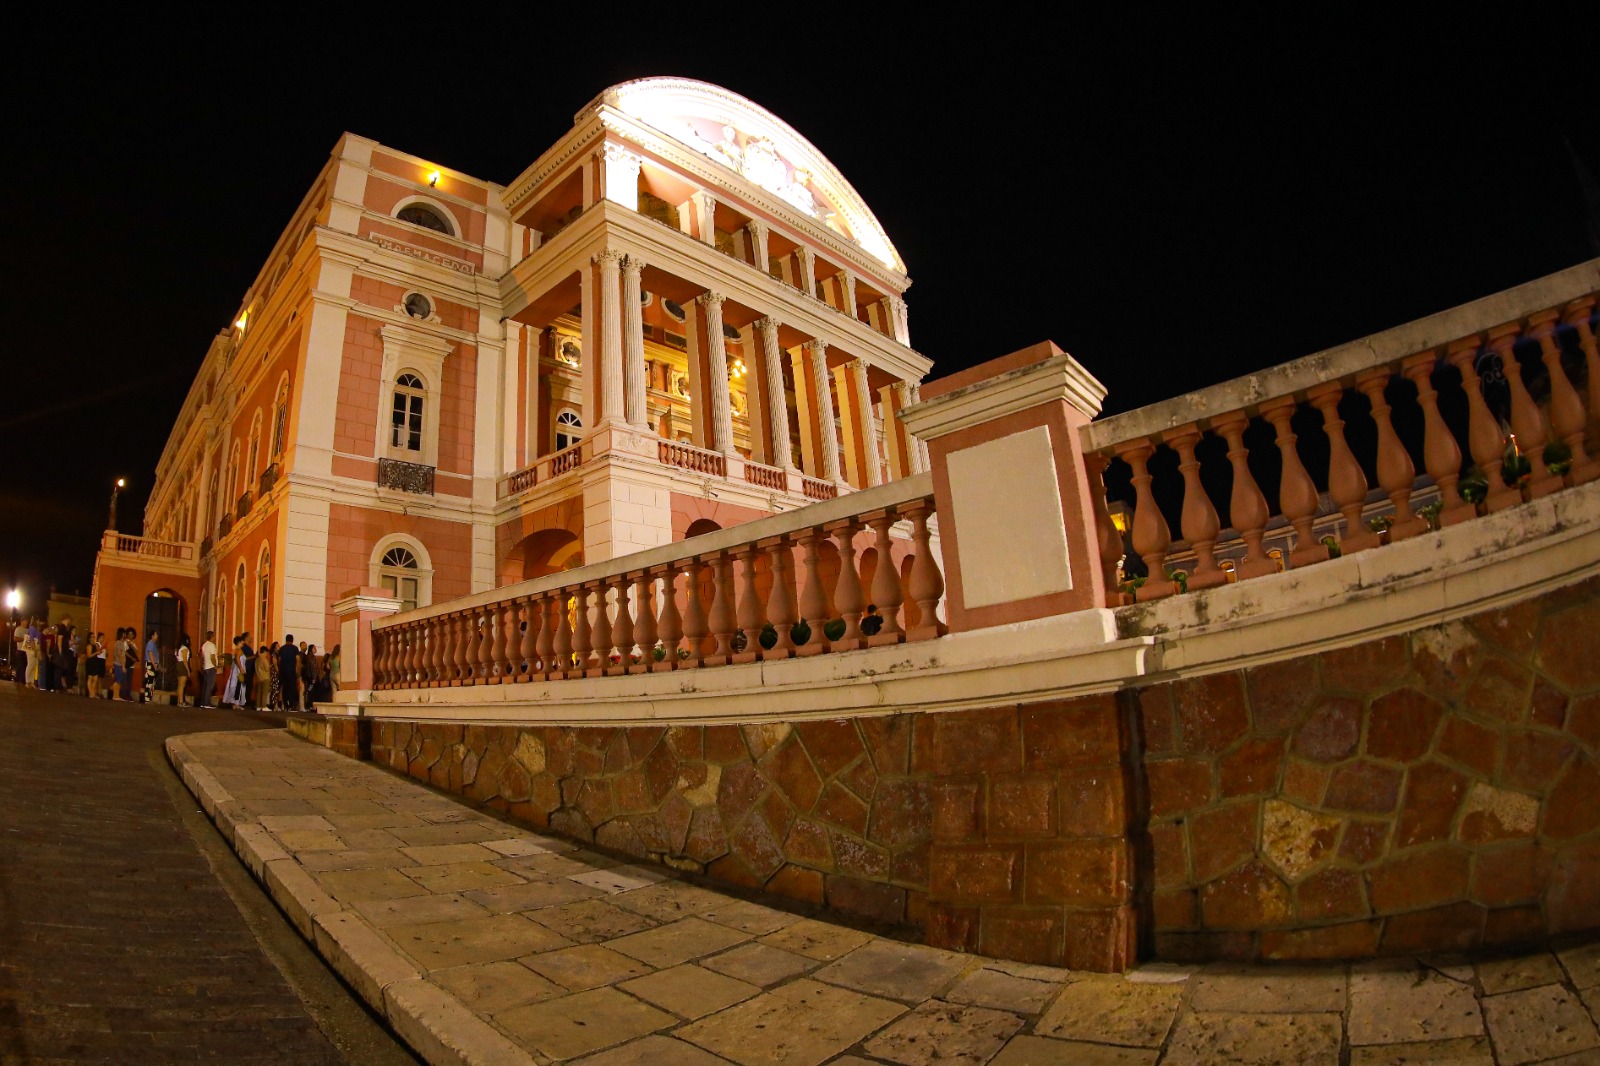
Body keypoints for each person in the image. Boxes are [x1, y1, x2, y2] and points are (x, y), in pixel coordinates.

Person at [278, 636, 301, 713]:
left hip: (283, 671)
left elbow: (279, 660)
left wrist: (280, 669)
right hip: (292, 671)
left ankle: (285, 705)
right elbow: (297, 660)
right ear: (292, 640)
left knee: (284, 688)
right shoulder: (295, 649)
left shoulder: (282, 649)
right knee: (291, 688)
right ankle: (291, 705)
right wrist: (298, 671)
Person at [198, 631, 218, 708]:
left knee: (205, 685)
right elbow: (212, 657)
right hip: (211, 667)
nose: (215, 638)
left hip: (205, 666)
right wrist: (215, 665)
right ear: (212, 637)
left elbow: (202, 656)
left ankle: (203, 702)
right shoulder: (212, 645)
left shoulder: (204, 645)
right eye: (214, 636)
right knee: (210, 686)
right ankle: (206, 703)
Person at [84, 633, 106, 699]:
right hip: (91, 662)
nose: (93, 638)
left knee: (95, 678)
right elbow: (89, 655)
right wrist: (96, 653)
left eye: (94, 637)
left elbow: (98, 650)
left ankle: (93, 692)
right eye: (92, 637)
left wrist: (99, 650)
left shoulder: (95, 644)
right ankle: (90, 693)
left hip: (95, 661)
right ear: (89, 638)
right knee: (90, 677)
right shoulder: (89, 645)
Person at [253, 638, 272, 709]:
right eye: (266, 652)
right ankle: (264, 706)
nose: (267, 654)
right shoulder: (264, 659)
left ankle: (258, 705)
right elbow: (267, 668)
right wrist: (270, 666)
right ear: (264, 652)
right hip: (265, 677)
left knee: (258, 693)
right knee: (264, 693)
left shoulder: (257, 659)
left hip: (258, 677)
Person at [142, 630, 160, 704]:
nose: (157, 636)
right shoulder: (150, 643)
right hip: (150, 663)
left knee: (152, 682)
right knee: (149, 682)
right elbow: (150, 654)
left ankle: (150, 698)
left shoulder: (154, 644)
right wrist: (153, 664)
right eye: (156, 634)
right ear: (152, 636)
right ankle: (147, 699)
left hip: (153, 663)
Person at [174, 634, 192, 706]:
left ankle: (179, 700)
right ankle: (181, 701)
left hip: (178, 664)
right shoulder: (184, 648)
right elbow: (185, 660)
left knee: (179, 685)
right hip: (182, 666)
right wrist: (188, 670)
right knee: (182, 685)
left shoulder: (178, 648)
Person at [302, 644, 319, 711]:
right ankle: (310, 705)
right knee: (310, 691)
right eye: (314, 648)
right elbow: (313, 668)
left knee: (310, 691)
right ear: (311, 649)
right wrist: (314, 678)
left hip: (310, 677)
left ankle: (310, 705)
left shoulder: (310, 656)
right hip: (311, 678)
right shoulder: (311, 657)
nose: (316, 649)